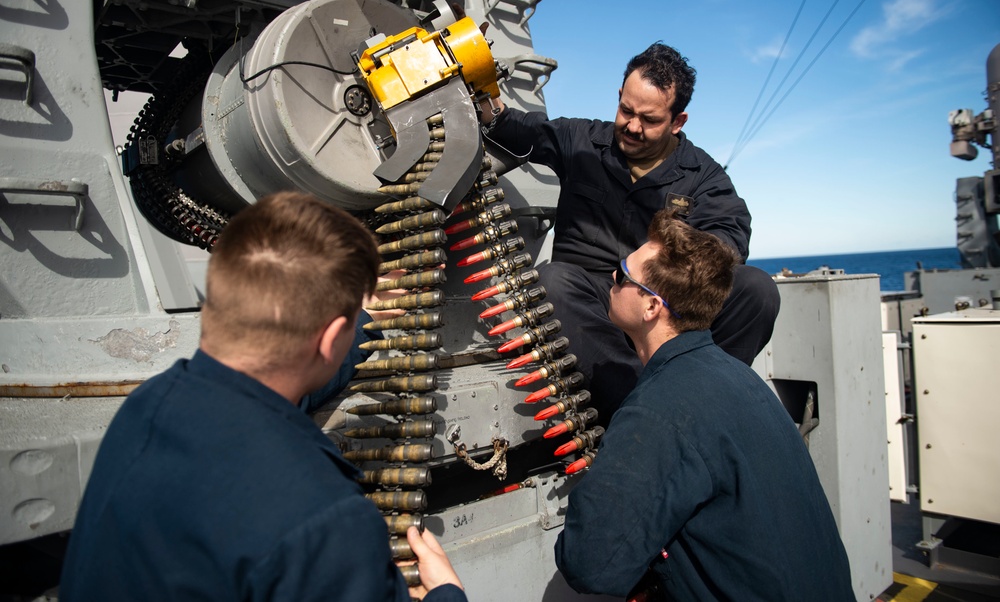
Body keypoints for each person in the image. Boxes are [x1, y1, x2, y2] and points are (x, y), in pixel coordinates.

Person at [60, 192, 466, 602]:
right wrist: (446, 593)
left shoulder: (149, 404)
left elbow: (264, 395)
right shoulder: (324, 517)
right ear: (328, 341)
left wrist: (356, 325)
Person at [553, 210, 854, 601]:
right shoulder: (741, 378)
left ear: (651, 307)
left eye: (623, 274)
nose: (612, 278)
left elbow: (588, 562)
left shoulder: (660, 408)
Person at [482, 42, 780, 420]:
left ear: (678, 121)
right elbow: (515, 128)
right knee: (551, 282)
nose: (633, 127)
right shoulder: (581, 141)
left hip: (666, 308)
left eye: (650, 119)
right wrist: (482, 91)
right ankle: (650, 410)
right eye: (626, 110)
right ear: (620, 97)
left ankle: (711, 402)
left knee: (756, 290)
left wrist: (665, 261)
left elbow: (730, 238)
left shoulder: (704, 176)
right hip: (593, 309)